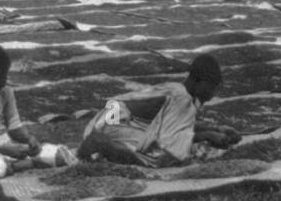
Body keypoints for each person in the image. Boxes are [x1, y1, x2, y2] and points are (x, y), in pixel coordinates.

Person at [78, 54, 241, 167]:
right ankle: (99, 143)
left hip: (114, 115)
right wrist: (208, 135)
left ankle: (102, 143)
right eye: (211, 87)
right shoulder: (181, 98)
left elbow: (176, 126)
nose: (212, 94)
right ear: (199, 82)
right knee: (159, 158)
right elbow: (168, 141)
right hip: (111, 121)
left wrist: (216, 129)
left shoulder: (180, 91)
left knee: (163, 148)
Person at [0, 39, 73, 179]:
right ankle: (23, 164)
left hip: (9, 146)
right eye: (1, 74)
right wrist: (4, 150)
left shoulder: (6, 92)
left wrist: (29, 139)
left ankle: (18, 165)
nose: (4, 79)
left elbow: (14, 126)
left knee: (59, 155)